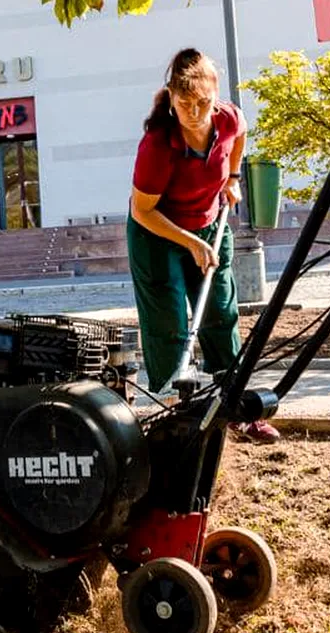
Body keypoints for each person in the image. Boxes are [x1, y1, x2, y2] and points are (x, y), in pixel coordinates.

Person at [128, 48, 280, 444]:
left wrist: (231, 178)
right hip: (157, 234)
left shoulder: (227, 119)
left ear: (215, 99)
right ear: (171, 98)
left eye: (203, 103)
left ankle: (233, 410)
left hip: (209, 224)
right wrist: (190, 243)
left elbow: (241, 132)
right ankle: (175, 411)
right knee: (171, 319)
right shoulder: (158, 146)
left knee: (220, 311)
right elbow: (143, 211)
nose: (194, 112)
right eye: (184, 104)